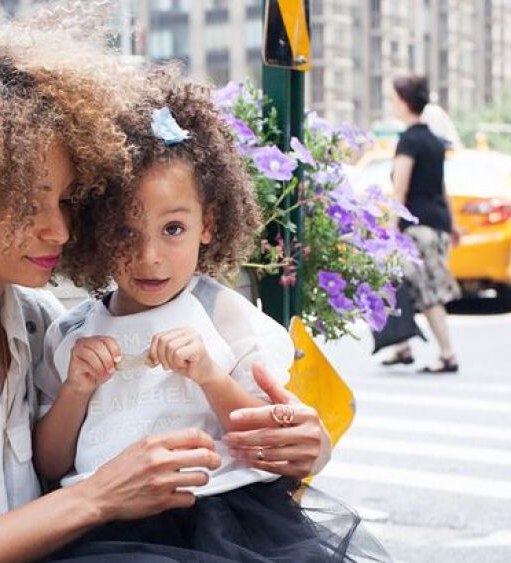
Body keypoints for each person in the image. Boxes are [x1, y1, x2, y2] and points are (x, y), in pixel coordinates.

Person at [0, 6, 333, 562]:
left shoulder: (40, 324)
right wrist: (99, 497)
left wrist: (309, 446)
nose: (60, 228)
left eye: (67, 200)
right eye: (29, 203)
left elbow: (237, 438)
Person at [36, 77, 389, 561]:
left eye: (173, 229)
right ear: (95, 231)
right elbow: (51, 463)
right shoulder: (72, 333)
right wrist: (76, 389)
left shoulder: (226, 319)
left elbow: (264, 443)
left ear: (211, 225)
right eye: (124, 231)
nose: (149, 256)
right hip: (105, 531)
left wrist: (208, 374)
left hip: (225, 523)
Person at [382, 75, 461, 373]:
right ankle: (402, 346)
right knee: (399, 282)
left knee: (426, 291)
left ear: (404, 102)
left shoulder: (410, 140)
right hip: (437, 224)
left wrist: (391, 230)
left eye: (393, 98)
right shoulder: (433, 141)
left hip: (417, 227)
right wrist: (451, 225)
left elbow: (400, 190)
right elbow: (442, 188)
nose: (391, 103)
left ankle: (448, 354)